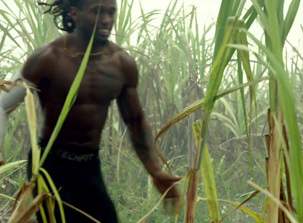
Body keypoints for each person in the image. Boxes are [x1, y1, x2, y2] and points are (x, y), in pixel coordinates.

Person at [0, 0, 181, 222]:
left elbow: (134, 121)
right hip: (50, 165)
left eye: (111, 12)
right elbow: (3, 105)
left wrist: (156, 171)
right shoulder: (49, 58)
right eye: (97, 12)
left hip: (89, 165)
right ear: (75, 13)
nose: (107, 19)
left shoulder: (122, 64)